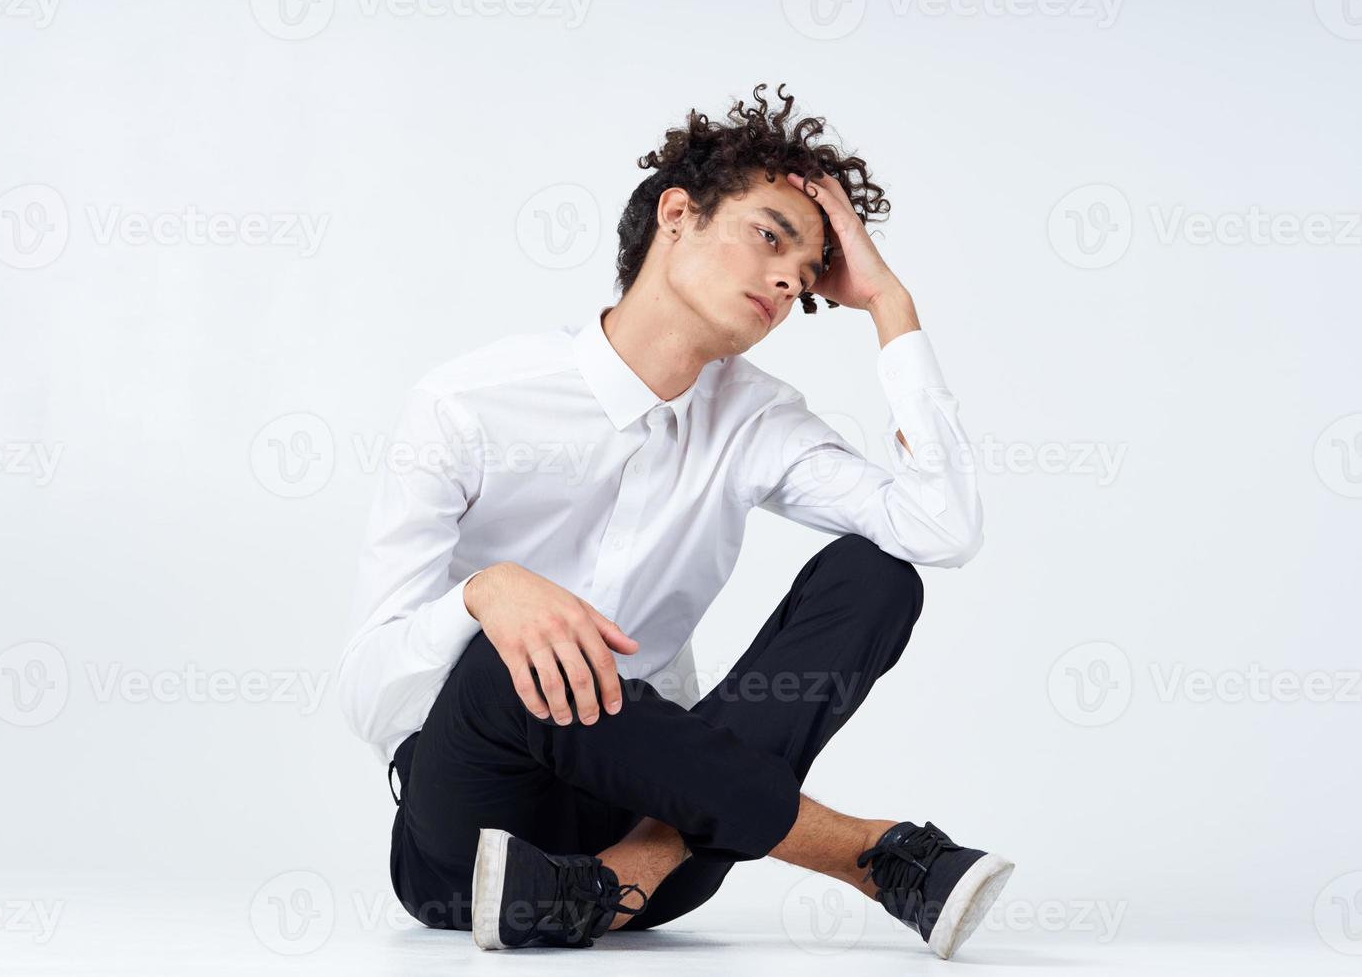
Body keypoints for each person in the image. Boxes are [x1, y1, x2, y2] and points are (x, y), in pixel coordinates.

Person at [337, 82, 1012, 959]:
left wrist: (888, 304)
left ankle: (614, 884)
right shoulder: (468, 403)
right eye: (771, 236)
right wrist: (486, 594)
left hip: (666, 810)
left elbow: (942, 529)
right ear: (678, 214)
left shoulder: (756, 421)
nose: (787, 280)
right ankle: (868, 857)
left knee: (876, 576)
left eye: (809, 275)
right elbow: (364, 690)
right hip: (473, 843)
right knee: (520, 645)